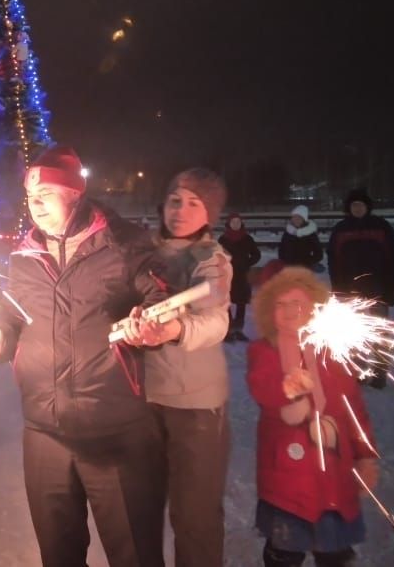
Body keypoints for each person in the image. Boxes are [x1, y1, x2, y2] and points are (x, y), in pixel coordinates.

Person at [0, 145, 170, 567]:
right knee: (58, 554)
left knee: (134, 553)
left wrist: (154, 322)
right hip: (44, 431)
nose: (36, 204)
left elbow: (161, 295)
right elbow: (10, 315)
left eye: (46, 193)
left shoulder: (123, 244)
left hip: (115, 428)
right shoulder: (23, 256)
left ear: (74, 195)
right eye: (30, 195)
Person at [122, 168, 233, 566]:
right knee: (138, 513)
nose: (181, 210)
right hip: (142, 402)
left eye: (194, 202)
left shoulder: (211, 260)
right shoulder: (141, 252)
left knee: (194, 517)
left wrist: (174, 329)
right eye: (175, 199)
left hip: (196, 408)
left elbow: (216, 320)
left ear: (210, 214)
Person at [247, 266, 379, 567]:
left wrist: (364, 455)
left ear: (314, 310)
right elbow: (262, 387)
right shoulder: (264, 351)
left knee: (334, 551)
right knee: (284, 549)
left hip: (334, 474)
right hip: (287, 478)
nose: (289, 311)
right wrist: (286, 388)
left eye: (298, 304)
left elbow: (354, 409)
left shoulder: (331, 353)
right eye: (280, 304)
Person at [327, 188, 394, 389]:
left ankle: (379, 372)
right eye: (354, 205)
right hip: (350, 292)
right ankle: (358, 371)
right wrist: (338, 290)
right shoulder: (341, 230)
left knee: (379, 333)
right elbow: (333, 263)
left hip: (378, 290)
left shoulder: (381, 227)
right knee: (354, 334)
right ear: (348, 208)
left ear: (367, 207)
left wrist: (392, 289)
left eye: (361, 205)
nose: (357, 208)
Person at [219, 212, 261, 342]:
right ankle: (229, 330)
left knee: (241, 303)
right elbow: (217, 256)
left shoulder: (247, 239)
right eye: (233, 222)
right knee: (227, 303)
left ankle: (238, 330)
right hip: (227, 276)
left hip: (242, 276)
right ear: (229, 224)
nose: (235, 224)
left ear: (241, 223)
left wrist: (247, 263)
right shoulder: (223, 240)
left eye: (238, 222)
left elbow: (256, 255)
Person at [278, 205, 323, 270]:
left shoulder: (310, 234)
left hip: (304, 268)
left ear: (304, 219)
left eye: (299, 217)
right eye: (294, 217)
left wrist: (309, 262)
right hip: (288, 267)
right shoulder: (288, 232)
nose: (296, 219)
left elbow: (319, 253)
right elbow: (281, 248)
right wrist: (283, 260)